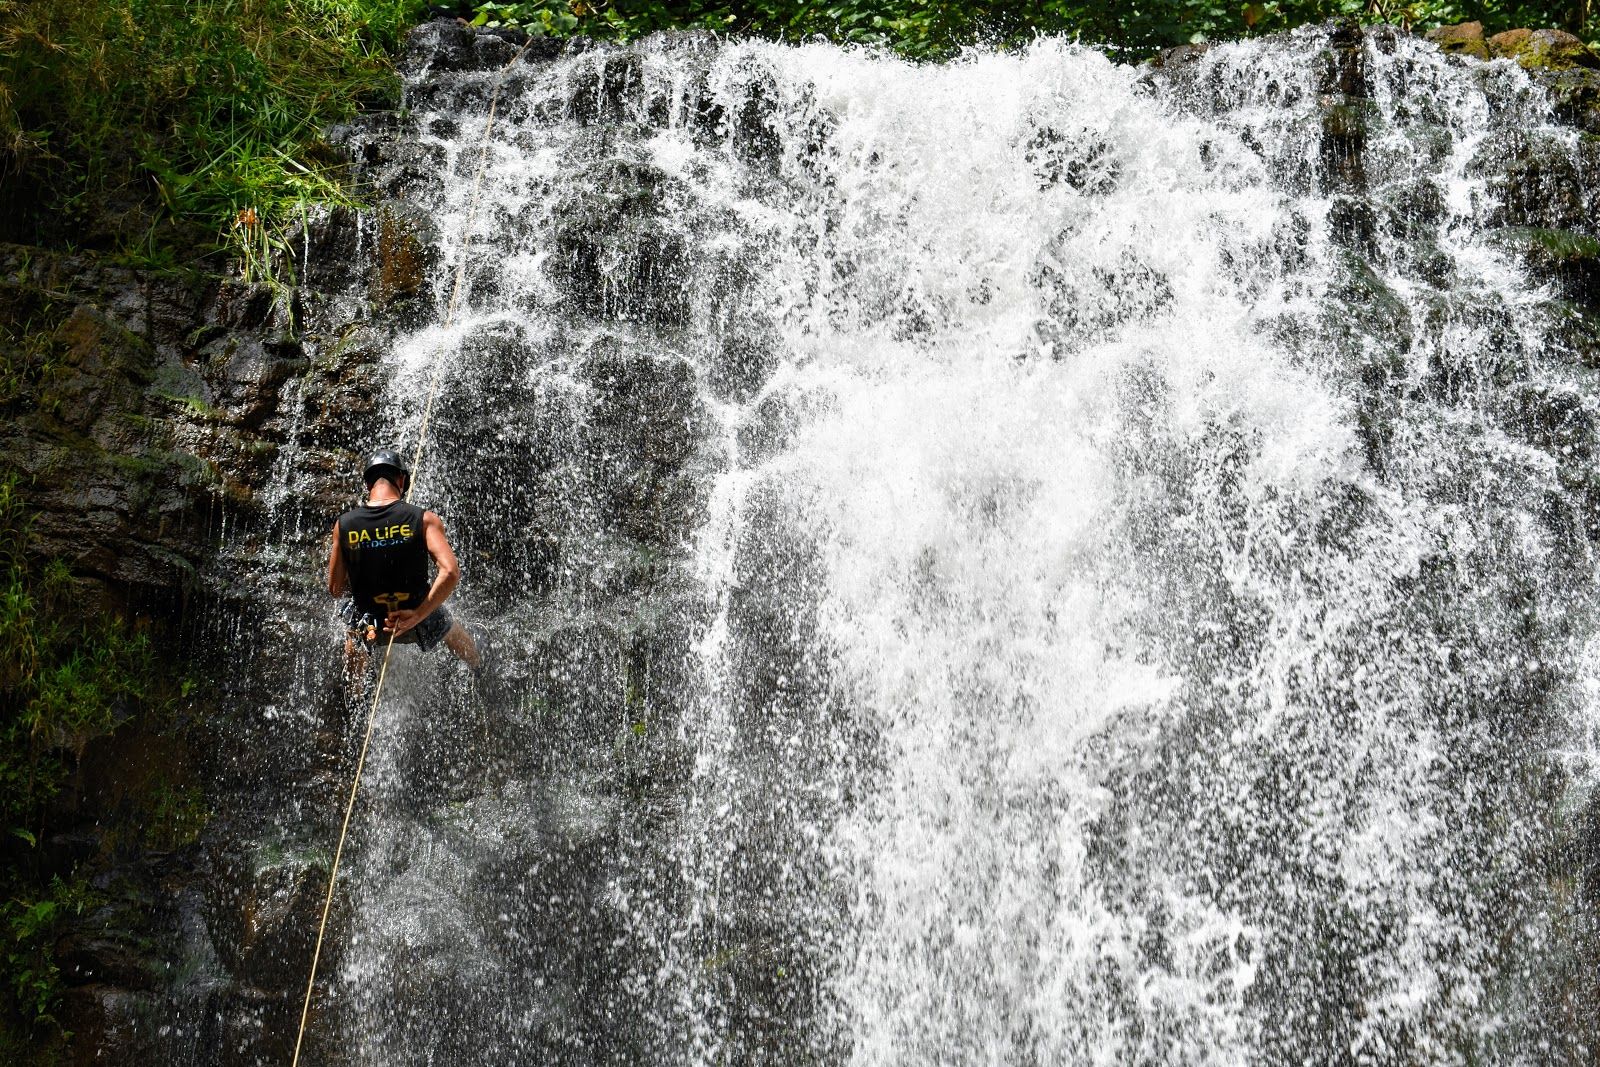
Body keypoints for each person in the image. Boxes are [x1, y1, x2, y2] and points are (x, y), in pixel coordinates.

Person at [327, 447, 481, 670]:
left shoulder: (343, 525)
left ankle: (356, 696)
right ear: (401, 480)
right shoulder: (424, 519)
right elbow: (450, 572)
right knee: (449, 625)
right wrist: (417, 615)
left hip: (372, 623)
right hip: (416, 618)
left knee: (353, 620)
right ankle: (478, 664)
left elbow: (335, 589)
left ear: (368, 485)